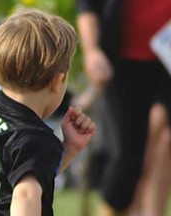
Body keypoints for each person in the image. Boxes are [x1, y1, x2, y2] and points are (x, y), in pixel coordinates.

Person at [0, 7, 96, 216]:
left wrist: (68, 150)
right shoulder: (35, 137)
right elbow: (26, 195)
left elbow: (20, 176)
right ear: (58, 81)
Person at [75, 0, 171, 215]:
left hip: (167, 62)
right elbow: (88, 6)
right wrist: (91, 51)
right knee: (127, 158)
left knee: (165, 141)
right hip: (125, 64)